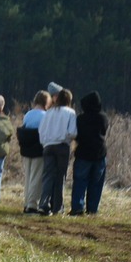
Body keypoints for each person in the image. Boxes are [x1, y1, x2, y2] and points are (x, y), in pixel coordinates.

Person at [37, 86, 77, 215]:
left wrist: (45, 142)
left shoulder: (49, 112)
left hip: (48, 146)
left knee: (48, 176)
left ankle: (43, 204)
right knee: (60, 177)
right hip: (62, 146)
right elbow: (72, 132)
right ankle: (57, 207)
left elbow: (41, 130)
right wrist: (65, 137)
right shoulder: (70, 113)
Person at [71, 92, 108, 216]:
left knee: (80, 182)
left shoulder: (81, 119)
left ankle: (77, 208)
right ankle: (92, 209)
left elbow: (77, 135)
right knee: (96, 183)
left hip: (83, 154)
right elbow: (104, 130)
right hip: (99, 154)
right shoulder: (103, 118)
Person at [17, 91, 49, 214]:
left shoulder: (28, 114)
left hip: (26, 150)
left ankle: (26, 202)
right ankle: (32, 205)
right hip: (38, 150)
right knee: (37, 178)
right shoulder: (45, 116)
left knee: (28, 177)